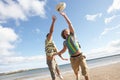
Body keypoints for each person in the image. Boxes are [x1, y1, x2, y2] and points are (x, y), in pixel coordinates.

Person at [53, 12, 90, 80]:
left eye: (67, 30)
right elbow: (64, 50)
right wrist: (57, 53)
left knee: (85, 71)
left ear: (69, 31)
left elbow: (70, 24)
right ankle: (77, 77)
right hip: (73, 58)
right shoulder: (64, 42)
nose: (66, 31)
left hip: (80, 56)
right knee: (76, 72)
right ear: (63, 34)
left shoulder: (72, 35)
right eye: (65, 31)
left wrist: (64, 15)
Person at [45, 15, 67, 80]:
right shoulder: (47, 41)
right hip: (49, 60)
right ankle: (56, 75)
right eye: (49, 36)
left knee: (58, 70)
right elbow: (51, 32)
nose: (51, 36)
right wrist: (53, 21)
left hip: (54, 59)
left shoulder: (53, 43)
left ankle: (59, 75)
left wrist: (62, 58)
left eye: (51, 36)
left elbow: (58, 52)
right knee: (53, 75)